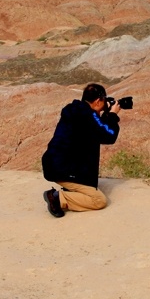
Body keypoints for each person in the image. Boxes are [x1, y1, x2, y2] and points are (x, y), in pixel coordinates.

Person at [41, 83, 121, 218]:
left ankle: (70, 189)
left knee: (89, 186)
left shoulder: (76, 110)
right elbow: (109, 135)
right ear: (97, 101)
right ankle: (57, 197)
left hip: (55, 165)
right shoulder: (87, 116)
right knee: (99, 200)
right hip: (64, 170)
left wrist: (104, 114)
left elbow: (96, 128)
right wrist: (112, 115)